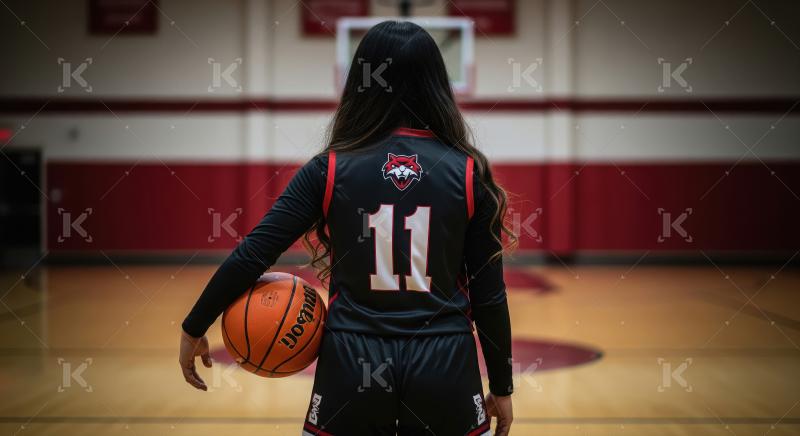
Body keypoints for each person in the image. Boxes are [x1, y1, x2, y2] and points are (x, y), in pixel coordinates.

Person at [178, 21, 515, 436]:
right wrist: (502, 385)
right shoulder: (469, 174)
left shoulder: (329, 169)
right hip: (443, 364)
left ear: (360, 80)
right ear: (438, 83)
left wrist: (195, 325)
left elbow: (255, 253)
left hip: (353, 363)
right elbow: (490, 295)